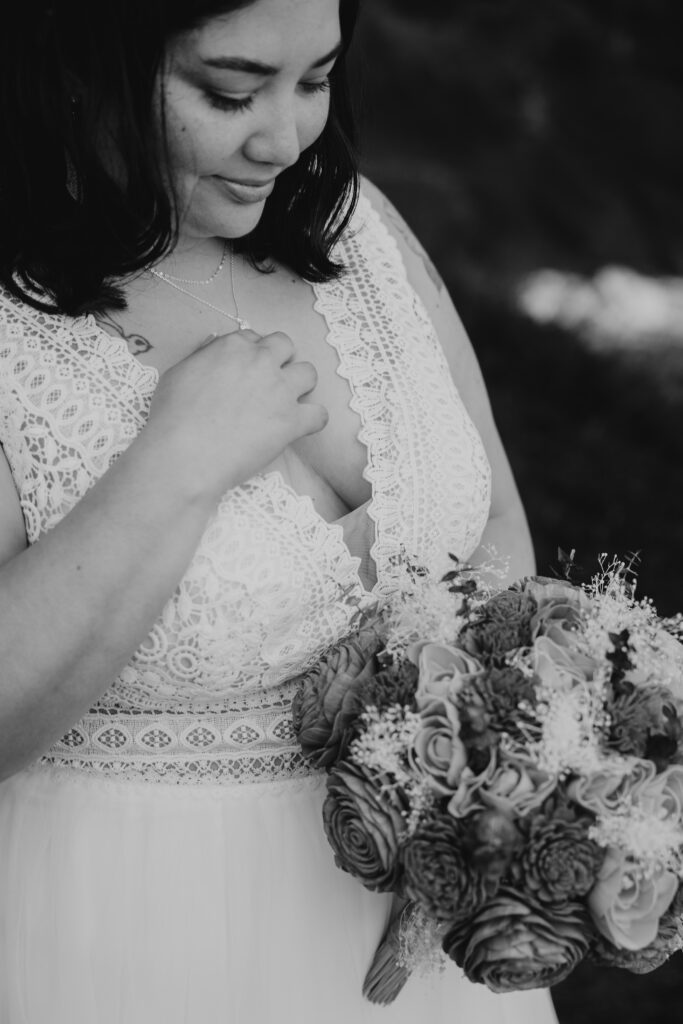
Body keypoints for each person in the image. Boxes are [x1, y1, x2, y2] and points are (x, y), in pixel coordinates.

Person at [0, 0, 557, 1021]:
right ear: (85, 60)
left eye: (315, 80)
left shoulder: (355, 220)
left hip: (421, 953)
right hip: (138, 941)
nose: (285, 138)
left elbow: (497, 533)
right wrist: (173, 463)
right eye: (229, 91)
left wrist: (497, 775)